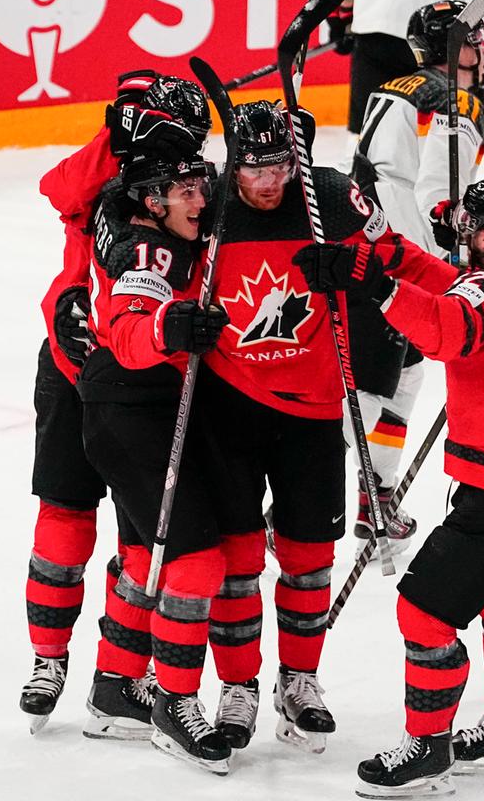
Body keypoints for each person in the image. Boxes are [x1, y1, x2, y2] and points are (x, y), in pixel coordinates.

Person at [295, 139, 484, 796]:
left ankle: (427, 750)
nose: (457, 230)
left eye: (468, 226)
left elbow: (442, 329)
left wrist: (372, 286)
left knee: (423, 613)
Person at [19, 71, 210, 733]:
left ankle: (114, 679)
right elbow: (57, 189)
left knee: (139, 535)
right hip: (79, 368)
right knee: (66, 515)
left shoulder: (183, 194)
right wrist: (112, 133)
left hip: (142, 370)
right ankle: (48, 661)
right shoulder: (110, 181)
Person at [194, 100, 369, 754]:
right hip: (229, 404)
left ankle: (298, 679)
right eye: (254, 168)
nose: (268, 183)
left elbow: (387, 255)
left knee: (307, 560)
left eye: (279, 167)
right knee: (236, 564)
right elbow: (162, 270)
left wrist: (349, 268)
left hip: (314, 409)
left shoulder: (327, 196)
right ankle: (236, 686)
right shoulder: (207, 202)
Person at [77, 152, 235, 774]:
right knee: (196, 561)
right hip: (129, 412)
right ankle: (174, 700)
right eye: (186, 190)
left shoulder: (173, 232)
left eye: (203, 186)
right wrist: (171, 328)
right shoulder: (150, 251)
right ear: (151, 202)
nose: (201, 199)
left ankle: (115, 689)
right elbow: (129, 327)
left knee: (146, 557)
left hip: (133, 411)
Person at [345, 0, 484, 550]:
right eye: (479, 38)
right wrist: (460, 240)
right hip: (402, 249)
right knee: (369, 381)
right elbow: (438, 192)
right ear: (459, 47)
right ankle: (304, 500)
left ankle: (376, 491)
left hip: (369, 229)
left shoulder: (399, 86)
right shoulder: (459, 102)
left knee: (402, 373)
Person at [337, 0, 484, 172]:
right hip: (446, 31)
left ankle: (354, 194)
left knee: (367, 127)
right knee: (455, 129)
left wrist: (344, 9)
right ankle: (444, 197)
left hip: (376, 22)